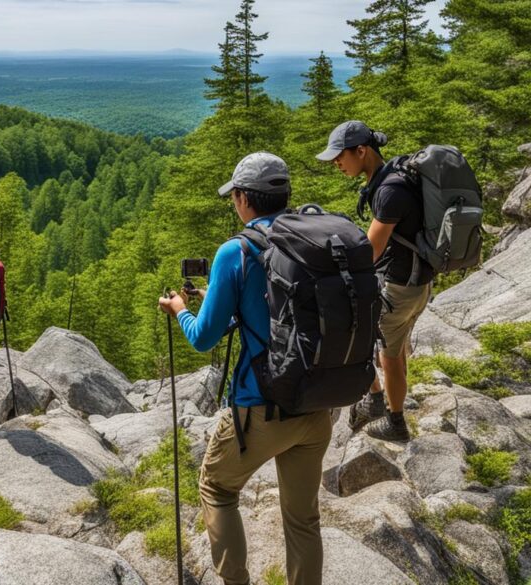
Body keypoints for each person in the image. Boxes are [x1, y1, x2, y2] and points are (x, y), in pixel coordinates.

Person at [158, 153, 332, 585]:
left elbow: (201, 338)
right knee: (303, 519)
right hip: (318, 403)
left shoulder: (235, 252)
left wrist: (181, 309)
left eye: (233, 196)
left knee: (217, 488)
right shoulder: (312, 238)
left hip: (262, 408)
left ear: (242, 199)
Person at [317, 120, 432, 443]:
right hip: (416, 282)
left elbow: (370, 251)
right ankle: (378, 399)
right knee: (386, 344)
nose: (337, 163)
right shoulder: (392, 179)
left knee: (389, 354)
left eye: (340, 156)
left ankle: (395, 423)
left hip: (400, 285)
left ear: (362, 150)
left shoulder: (389, 190)